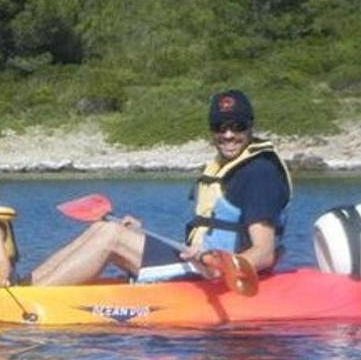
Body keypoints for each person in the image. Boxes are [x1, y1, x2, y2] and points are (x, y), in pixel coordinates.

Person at [28, 89, 292, 285]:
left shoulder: (259, 173)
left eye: (238, 126)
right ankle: (24, 285)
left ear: (250, 126)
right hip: (196, 262)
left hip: (213, 274)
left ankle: (25, 300)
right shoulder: (226, 166)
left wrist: (218, 260)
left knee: (111, 236)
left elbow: (264, 253)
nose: (228, 135)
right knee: (105, 227)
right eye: (220, 127)